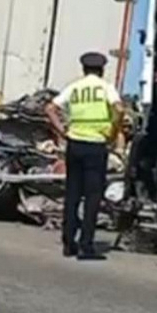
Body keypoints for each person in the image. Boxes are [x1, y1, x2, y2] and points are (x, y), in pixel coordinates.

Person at [45, 52, 123, 260]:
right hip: (97, 146)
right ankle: (86, 245)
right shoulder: (106, 88)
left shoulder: (75, 87)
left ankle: (68, 243)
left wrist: (62, 130)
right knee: (93, 196)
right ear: (102, 69)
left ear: (84, 69)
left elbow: (50, 108)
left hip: (74, 144)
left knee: (72, 193)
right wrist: (113, 131)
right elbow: (119, 109)